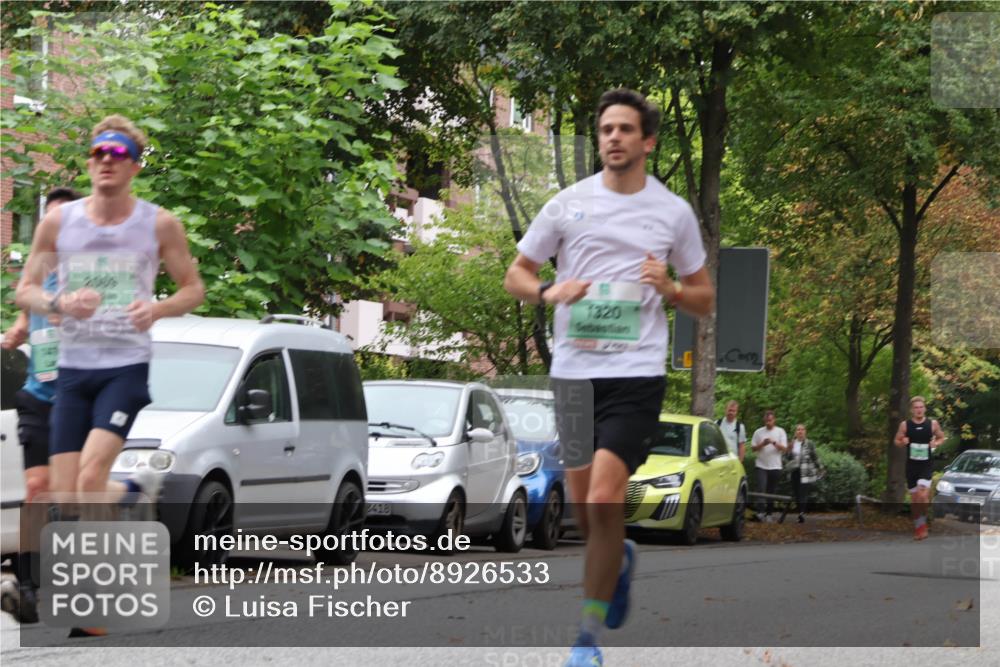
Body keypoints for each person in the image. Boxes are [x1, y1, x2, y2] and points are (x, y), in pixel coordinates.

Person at [503, 89, 715, 667]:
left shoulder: (672, 212)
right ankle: (617, 557)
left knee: (602, 495)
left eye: (625, 129)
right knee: (584, 509)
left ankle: (586, 640)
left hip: (635, 375)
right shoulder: (567, 205)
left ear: (647, 141)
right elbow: (515, 275)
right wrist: (549, 290)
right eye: (605, 130)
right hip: (573, 376)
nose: (613, 138)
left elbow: (703, 298)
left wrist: (670, 288)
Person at [15, 115, 205, 634]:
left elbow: (193, 288)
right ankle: (126, 505)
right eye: (98, 153)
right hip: (72, 372)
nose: (105, 161)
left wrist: (158, 309)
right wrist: (58, 301)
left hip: (124, 367)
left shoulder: (158, 224)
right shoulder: (60, 222)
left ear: (133, 167)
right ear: (89, 162)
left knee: (90, 475)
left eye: (116, 154)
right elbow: (24, 290)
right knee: (67, 493)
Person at [0, 187, 81, 623]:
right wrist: (16, 332)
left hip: (79, 399)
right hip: (37, 396)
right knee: (36, 491)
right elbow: (24, 316)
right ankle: (28, 590)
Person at [894, 396, 946, 540]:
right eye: (916, 407)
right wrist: (902, 441)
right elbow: (896, 441)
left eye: (921, 407)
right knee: (915, 499)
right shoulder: (905, 425)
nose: (918, 410)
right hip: (911, 466)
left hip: (926, 464)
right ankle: (920, 527)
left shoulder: (932, 424)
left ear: (924, 409)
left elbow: (941, 437)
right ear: (912, 410)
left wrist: (936, 443)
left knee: (922, 495)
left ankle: (923, 526)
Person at [750, 410, 788, 521]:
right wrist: (763, 444)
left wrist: (773, 443)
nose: (768, 423)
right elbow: (753, 448)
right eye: (766, 421)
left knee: (771, 491)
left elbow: (785, 449)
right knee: (761, 489)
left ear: (774, 420)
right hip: (761, 465)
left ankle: (769, 514)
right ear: (764, 420)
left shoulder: (780, 432)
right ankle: (760, 512)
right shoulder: (758, 432)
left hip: (775, 466)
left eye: (770, 420)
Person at [786, 423, 822, 523]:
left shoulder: (809, 443)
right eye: (798, 430)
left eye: (802, 430)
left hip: (805, 471)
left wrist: (820, 468)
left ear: (805, 432)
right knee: (797, 493)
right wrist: (788, 450)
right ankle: (800, 512)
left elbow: (815, 456)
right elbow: (787, 458)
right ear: (795, 432)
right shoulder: (792, 443)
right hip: (794, 471)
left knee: (803, 493)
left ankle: (801, 513)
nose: (800, 431)